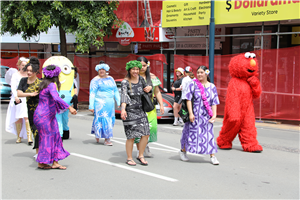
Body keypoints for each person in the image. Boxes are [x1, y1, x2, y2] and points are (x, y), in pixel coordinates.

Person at [34, 64, 77, 169]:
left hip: (46, 116)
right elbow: (56, 98)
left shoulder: (44, 84)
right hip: (44, 116)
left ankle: (55, 162)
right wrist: (69, 107)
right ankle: (42, 162)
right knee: (47, 138)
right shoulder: (52, 85)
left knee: (56, 136)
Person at [179, 65, 220, 165]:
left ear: (206, 73)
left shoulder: (212, 86)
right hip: (195, 114)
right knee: (189, 133)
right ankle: (183, 151)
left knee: (209, 135)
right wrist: (191, 113)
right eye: (198, 73)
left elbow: (214, 102)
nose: (199, 74)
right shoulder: (192, 84)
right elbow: (188, 99)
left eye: (201, 72)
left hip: (206, 115)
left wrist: (214, 115)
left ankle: (212, 156)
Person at [120, 60, 150, 166]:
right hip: (130, 111)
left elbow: (147, 90)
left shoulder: (141, 79)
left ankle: (140, 155)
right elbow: (123, 96)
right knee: (131, 136)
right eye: (133, 69)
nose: (136, 71)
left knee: (146, 134)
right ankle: (129, 158)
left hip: (141, 110)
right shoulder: (125, 82)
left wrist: (149, 88)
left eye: (137, 69)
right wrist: (123, 109)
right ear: (129, 70)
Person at [135, 56, 164, 158]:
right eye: (140, 65)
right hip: (136, 107)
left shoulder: (152, 77)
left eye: (144, 65)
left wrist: (161, 105)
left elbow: (157, 92)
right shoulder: (133, 77)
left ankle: (145, 145)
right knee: (138, 129)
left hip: (149, 107)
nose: (142, 68)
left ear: (147, 66)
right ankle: (140, 150)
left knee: (151, 128)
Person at [89, 62, 120, 146]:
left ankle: (98, 133)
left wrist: (118, 100)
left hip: (110, 103)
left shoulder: (111, 79)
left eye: (103, 69)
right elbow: (92, 93)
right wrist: (91, 105)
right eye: (99, 69)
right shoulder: (95, 80)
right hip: (100, 103)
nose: (101, 71)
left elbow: (115, 90)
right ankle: (107, 139)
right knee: (102, 119)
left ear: (106, 70)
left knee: (110, 120)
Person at [17, 57, 41, 156]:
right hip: (30, 110)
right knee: (33, 130)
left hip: (40, 110)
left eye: (31, 71)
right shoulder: (23, 81)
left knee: (38, 131)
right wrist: (30, 94)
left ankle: (38, 153)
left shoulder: (40, 82)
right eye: (27, 70)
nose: (29, 73)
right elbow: (19, 93)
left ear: (36, 71)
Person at [5, 57, 31, 144]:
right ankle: (19, 136)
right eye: (22, 65)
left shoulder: (29, 75)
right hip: (18, 98)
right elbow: (13, 87)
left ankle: (29, 137)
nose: (24, 67)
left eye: (25, 65)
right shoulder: (15, 75)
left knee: (27, 117)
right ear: (19, 65)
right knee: (19, 117)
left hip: (27, 97)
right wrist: (16, 96)